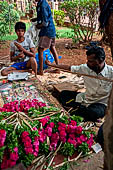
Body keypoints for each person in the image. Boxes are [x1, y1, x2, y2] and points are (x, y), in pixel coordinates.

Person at [45, 46, 113, 122]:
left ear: (100, 61)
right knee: (63, 94)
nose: (87, 63)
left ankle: (75, 110)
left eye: (90, 61)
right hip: (85, 98)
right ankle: (78, 110)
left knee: (94, 112)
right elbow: (69, 68)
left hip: (101, 104)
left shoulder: (111, 72)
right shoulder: (85, 68)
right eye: (88, 60)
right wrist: (52, 65)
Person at [35, 0, 59, 75]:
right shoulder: (41, 3)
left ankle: (41, 71)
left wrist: (38, 26)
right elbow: (44, 16)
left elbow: (45, 23)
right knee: (52, 47)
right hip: (51, 29)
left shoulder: (43, 5)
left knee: (40, 49)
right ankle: (58, 68)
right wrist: (36, 19)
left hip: (46, 31)